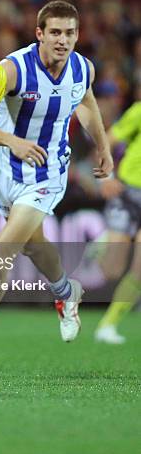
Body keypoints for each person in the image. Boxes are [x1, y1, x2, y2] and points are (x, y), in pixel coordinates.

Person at [0, 0, 114, 373]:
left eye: (71, 33)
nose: (64, 41)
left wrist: (103, 147)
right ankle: (66, 292)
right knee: (33, 244)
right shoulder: (11, 72)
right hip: (6, 170)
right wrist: (10, 141)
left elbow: (87, 103)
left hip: (47, 174)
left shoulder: (82, 68)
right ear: (40, 34)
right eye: (56, 33)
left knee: (2, 252)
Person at [93, 102, 141, 344]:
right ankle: (100, 242)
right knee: (111, 269)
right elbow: (107, 140)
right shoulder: (139, 111)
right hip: (128, 193)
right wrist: (106, 178)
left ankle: (108, 325)